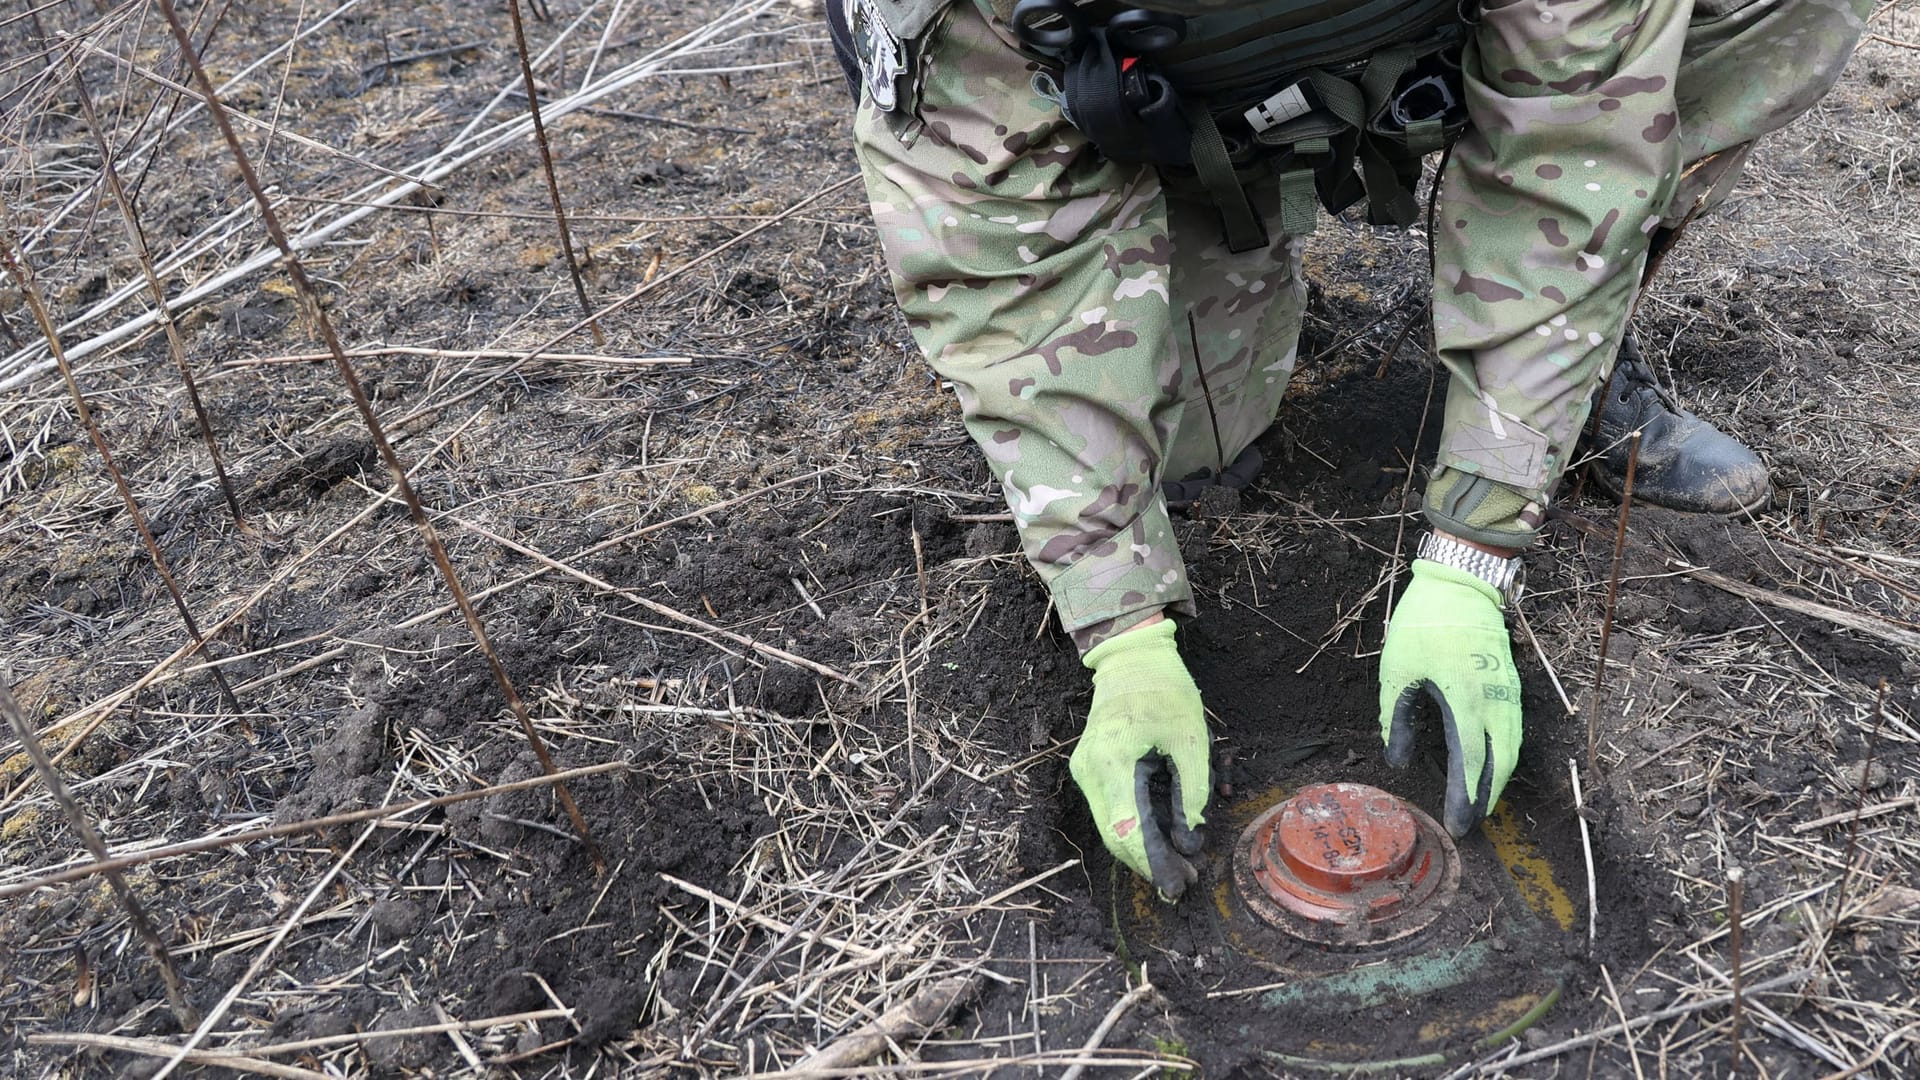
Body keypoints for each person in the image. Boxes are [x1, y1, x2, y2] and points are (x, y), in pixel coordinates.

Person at [828, 0, 1871, 898]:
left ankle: (1567, 360)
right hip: (1157, 98)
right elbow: (1007, 274)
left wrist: (1477, 550)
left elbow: (1579, 141)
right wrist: (1120, 626)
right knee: (1186, 461)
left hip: (1444, 39)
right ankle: (1218, 214)